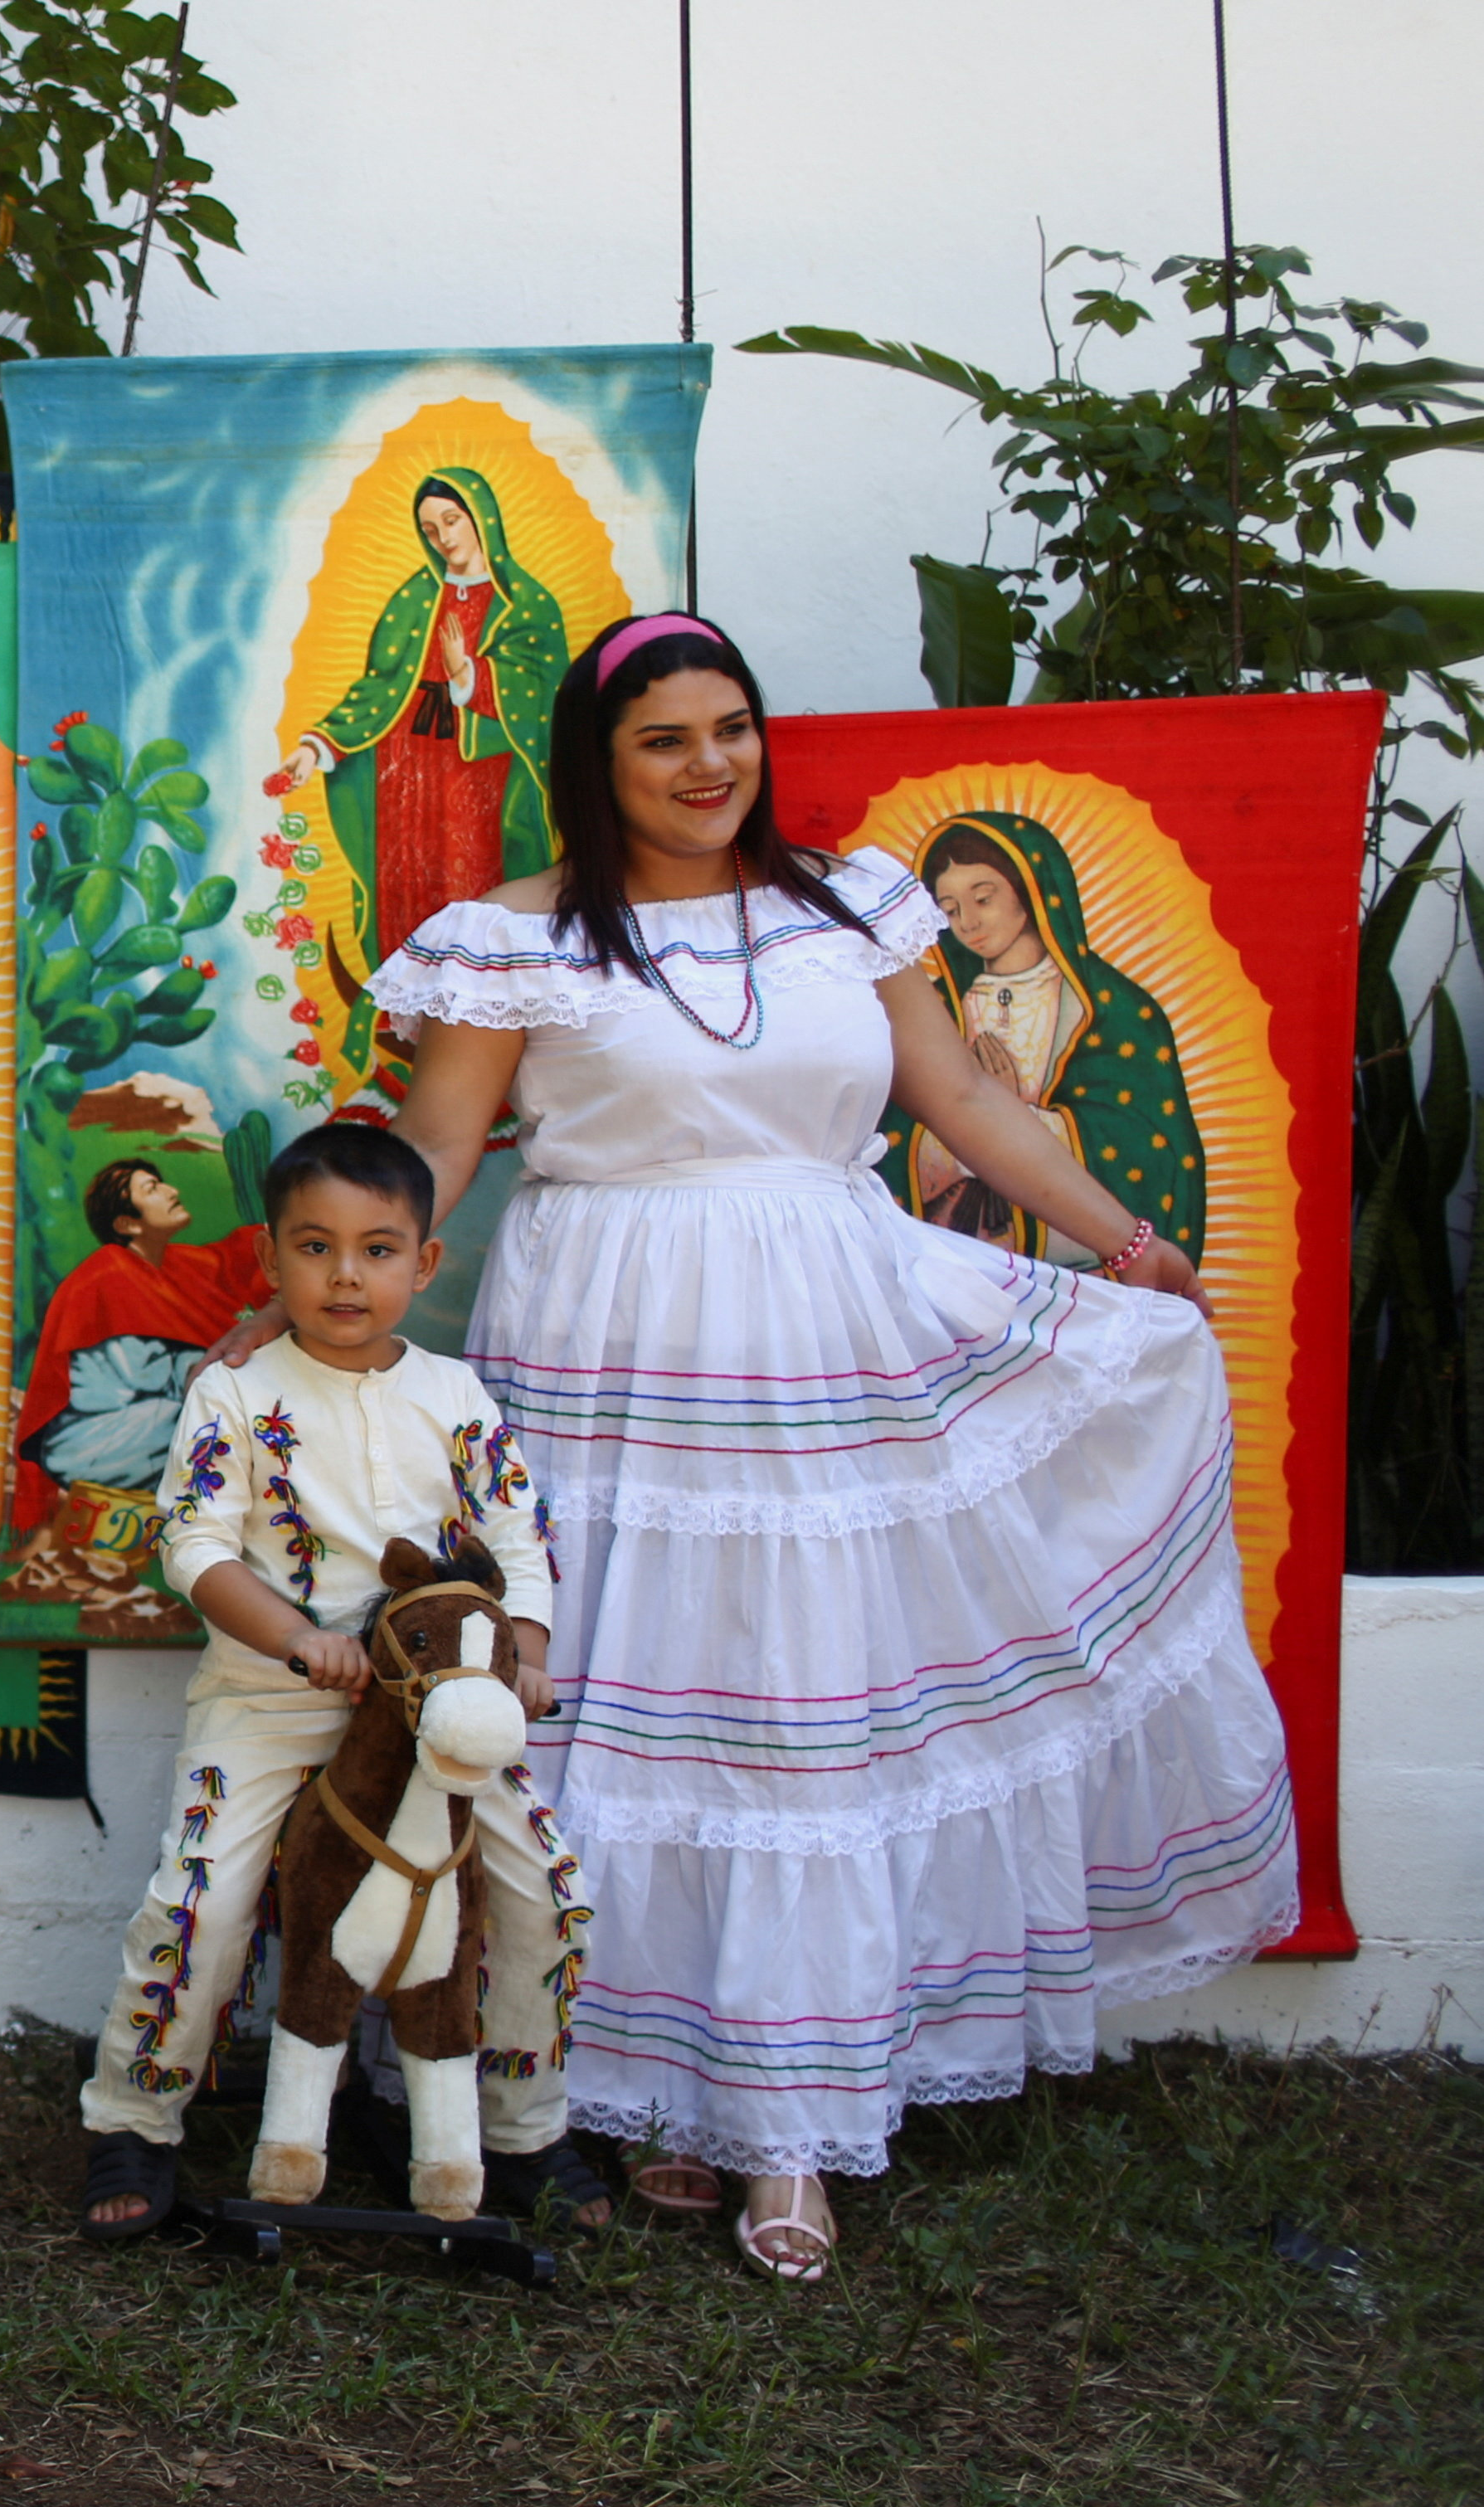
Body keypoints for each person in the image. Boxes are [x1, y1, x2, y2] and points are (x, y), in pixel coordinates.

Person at [308, 611, 1290, 2284]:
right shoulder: (514, 942)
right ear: (595, 766)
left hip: (827, 1331)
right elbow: (437, 1148)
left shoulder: (851, 907)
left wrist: (1127, 1248)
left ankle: (789, 2125)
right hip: (607, 1341)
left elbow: (967, 1110)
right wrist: (317, 1285)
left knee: (796, 1722)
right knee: (622, 1709)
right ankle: (654, 2092)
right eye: (663, 740)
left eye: (730, 729)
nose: (709, 767)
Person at [77, 1123, 591, 2246]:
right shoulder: (232, 1394)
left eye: (375, 1248)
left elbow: (514, 1541)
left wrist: (529, 1657)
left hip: (438, 1718)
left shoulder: (457, 1398)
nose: (345, 1275)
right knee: (199, 1897)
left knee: (539, 1888)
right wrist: (300, 1638)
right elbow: (195, 1549)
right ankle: (133, 2113)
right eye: (314, 1247)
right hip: (270, 1697)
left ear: (424, 1263)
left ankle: (523, 2129)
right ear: (269, 1259)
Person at [887, 811, 1206, 1265]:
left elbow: (1148, 1144)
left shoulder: (1113, 1010)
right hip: (956, 1272)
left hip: (1077, 1277)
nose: (968, 924)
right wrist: (974, 1123)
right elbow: (890, 1136)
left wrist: (1014, 1116)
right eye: (950, 910)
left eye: (983, 898)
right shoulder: (932, 1008)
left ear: (1030, 889)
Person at [285, 469, 573, 969]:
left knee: (471, 890)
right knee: (406, 885)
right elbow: (380, 684)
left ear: (482, 519)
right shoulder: (415, 597)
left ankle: (479, 1006)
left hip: (478, 776)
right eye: (431, 529)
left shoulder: (525, 603)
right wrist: (319, 744)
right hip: (407, 775)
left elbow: (544, 695)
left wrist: (474, 675)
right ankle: (403, 1013)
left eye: (452, 521)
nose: (444, 539)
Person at [12, 1154, 278, 1545]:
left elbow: (227, 1263)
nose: (171, 1191)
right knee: (208, 1415)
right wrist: (199, 1372)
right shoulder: (110, 1271)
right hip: (92, 1436)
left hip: (151, 1423)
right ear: (127, 1223)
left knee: (216, 1413)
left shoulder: (177, 1264)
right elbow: (121, 1384)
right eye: (152, 1189)